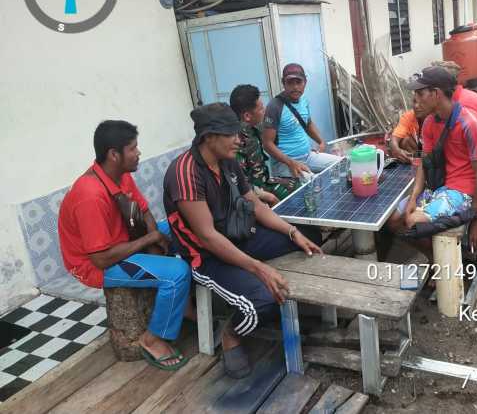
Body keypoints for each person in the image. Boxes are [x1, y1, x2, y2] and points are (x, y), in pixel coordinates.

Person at [163, 102, 322, 379]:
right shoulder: (185, 173)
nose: (239, 139)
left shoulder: (228, 161)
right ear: (208, 137)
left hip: (239, 239)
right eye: (231, 134)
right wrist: (259, 268)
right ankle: (231, 334)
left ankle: (258, 268)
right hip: (207, 256)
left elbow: (255, 205)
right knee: (262, 302)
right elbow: (208, 238)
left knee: (309, 235)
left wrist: (293, 233)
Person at [58, 121, 190, 370]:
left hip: (123, 241)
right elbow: (100, 258)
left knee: (179, 225)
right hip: (96, 264)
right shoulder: (90, 195)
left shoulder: (119, 174)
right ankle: (152, 338)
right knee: (176, 274)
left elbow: (144, 210)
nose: (138, 152)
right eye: (133, 148)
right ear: (114, 155)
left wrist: (153, 239)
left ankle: (185, 305)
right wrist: (150, 240)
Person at [388, 66, 477, 257]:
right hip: (440, 187)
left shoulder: (469, 123)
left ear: (435, 94)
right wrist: (413, 198)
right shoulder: (429, 123)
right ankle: (434, 258)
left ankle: (450, 261)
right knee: (394, 219)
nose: (415, 101)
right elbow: (424, 163)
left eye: (420, 94)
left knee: (413, 221)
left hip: (463, 191)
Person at [262, 63, 339, 178]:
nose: (295, 87)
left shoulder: (303, 100)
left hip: (308, 157)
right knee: (314, 184)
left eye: (299, 82)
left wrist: (321, 142)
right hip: (285, 164)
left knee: (342, 164)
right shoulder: (275, 106)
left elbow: (307, 123)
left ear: (305, 83)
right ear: (283, 83)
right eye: (290, 83)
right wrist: (290, 162)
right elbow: (267, 144)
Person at [230, 84, 298, 206]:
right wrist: (268, 197)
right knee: (296, 199)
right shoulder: (235, 142)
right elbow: (240, 184)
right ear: (247, 116)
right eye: (261, 109)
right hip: (254, 194)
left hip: (264, 182)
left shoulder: (253, 128)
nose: (265, 110)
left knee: (298, 184)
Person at [390, 94, 428, 164]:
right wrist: (396, 150)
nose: (416, 106)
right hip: (418, 151)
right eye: (414, 102)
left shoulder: (436, 118)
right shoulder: (408, 116)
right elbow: (394, 138)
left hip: (431, 152)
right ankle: (416, 161)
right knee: (405, 140)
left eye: (421, 102)